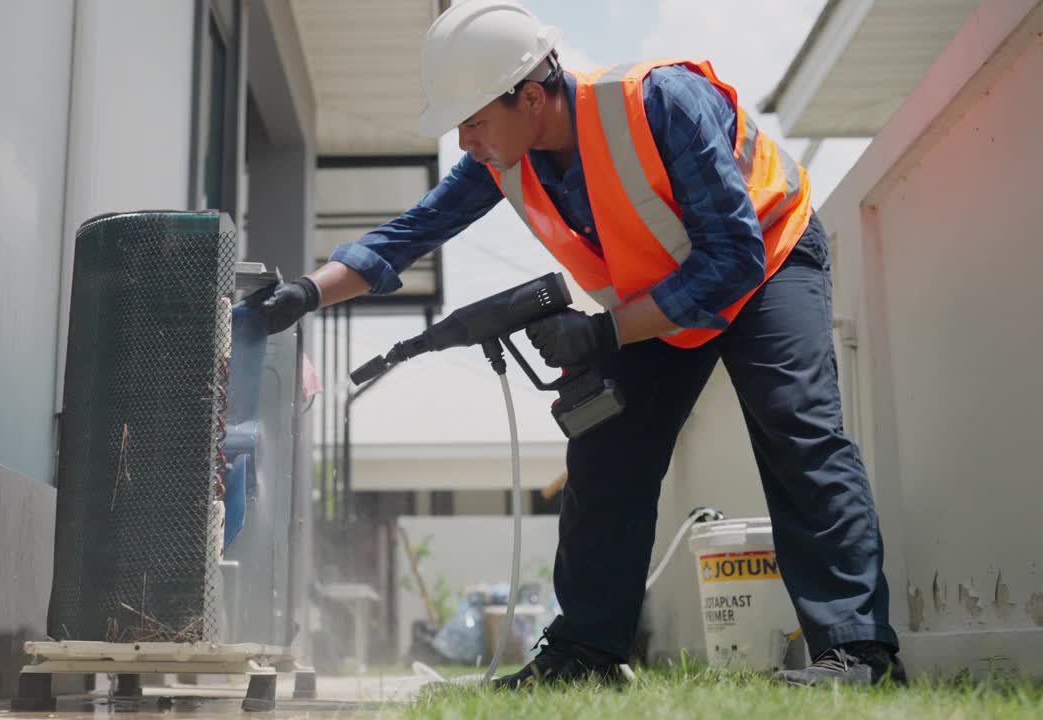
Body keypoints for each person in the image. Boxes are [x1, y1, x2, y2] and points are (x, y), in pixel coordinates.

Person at [239, 0, 905, 689]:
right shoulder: (504, 158)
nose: (467, 141)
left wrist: (603, 332)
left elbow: (732, 259)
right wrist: (306, 295)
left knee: (796, 425)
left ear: (529, 96)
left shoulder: (661, 102)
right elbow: (408, 235)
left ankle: (859, 652)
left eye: (473, 121)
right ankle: (586, 654)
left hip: (768, 256)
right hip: (660, 292)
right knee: (605, 445)